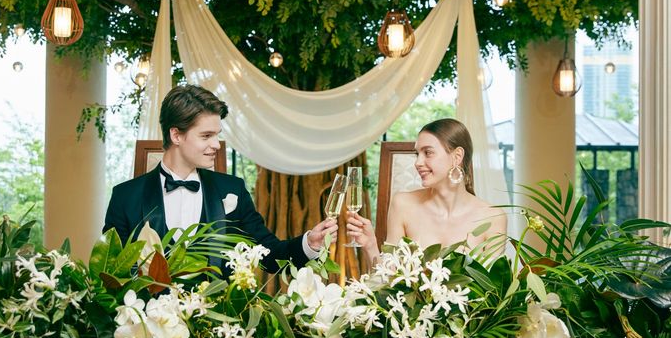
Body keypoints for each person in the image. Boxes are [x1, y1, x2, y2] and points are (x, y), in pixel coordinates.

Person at [104, 84, 337, 273]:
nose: (216, 145)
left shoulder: (232, 190)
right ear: (176, 135)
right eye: (206, 136)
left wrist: (310, 243)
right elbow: (112, 272)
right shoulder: (126, 196)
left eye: (217, 135)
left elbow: (269, 255)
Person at [347, 118, 507, 259]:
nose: (418, 163)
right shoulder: (403, 204)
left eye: (428, 153)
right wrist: (370, 246)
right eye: (417, 154)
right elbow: (387, 277)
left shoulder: (493, 218)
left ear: (457, 157)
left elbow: (493, 283)